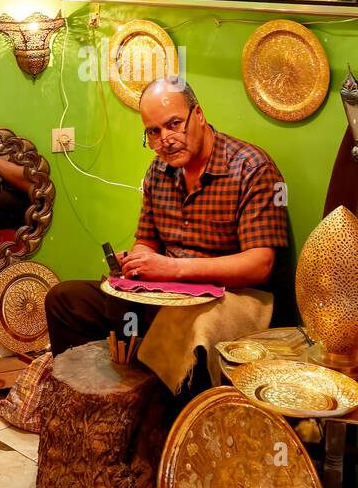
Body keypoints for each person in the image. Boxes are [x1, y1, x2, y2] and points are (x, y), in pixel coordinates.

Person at [44, 76, 289, 370]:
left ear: (198, 114)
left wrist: (172, 268)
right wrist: (138, 261)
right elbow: (146, 241)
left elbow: (259, 265)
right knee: (65, 300)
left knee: (194, 326)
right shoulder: (158, 171)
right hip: (165, 294)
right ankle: (101, 393)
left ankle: (159, 393)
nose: (166, 140)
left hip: (228, 297)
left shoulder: (251, 167)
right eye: (154, 131)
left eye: (174, 124)